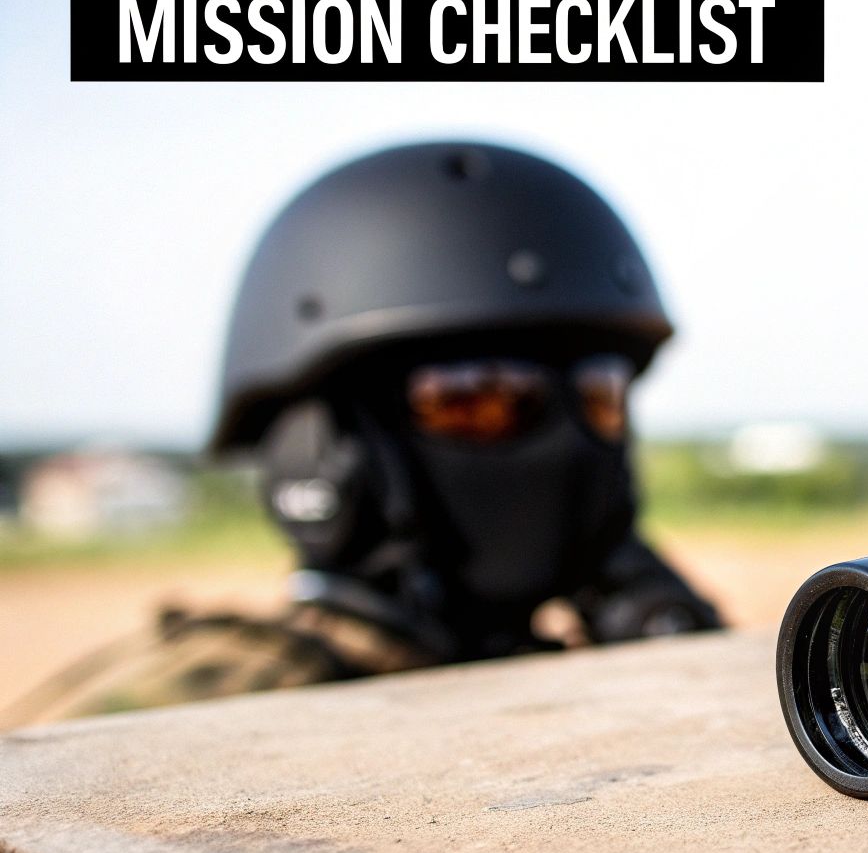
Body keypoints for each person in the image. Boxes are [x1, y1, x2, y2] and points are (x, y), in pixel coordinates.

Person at [1, 142, 719, 726]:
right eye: (481, 398)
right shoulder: (187, 717)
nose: (565, 448)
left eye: (599, 395)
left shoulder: (587, 684)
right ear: (320, 455)